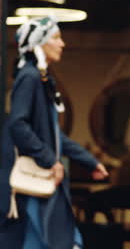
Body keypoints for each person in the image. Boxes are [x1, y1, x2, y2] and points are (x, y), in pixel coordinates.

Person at [0, 16, 109, 249]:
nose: (63, 44)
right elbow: (18, 125)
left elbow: (54, 135)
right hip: (33, 184)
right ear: (39, 42)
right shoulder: (29, 77)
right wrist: (51, 161)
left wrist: (89, 161)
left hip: (42, 182)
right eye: (56, 38)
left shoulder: (41, 79)